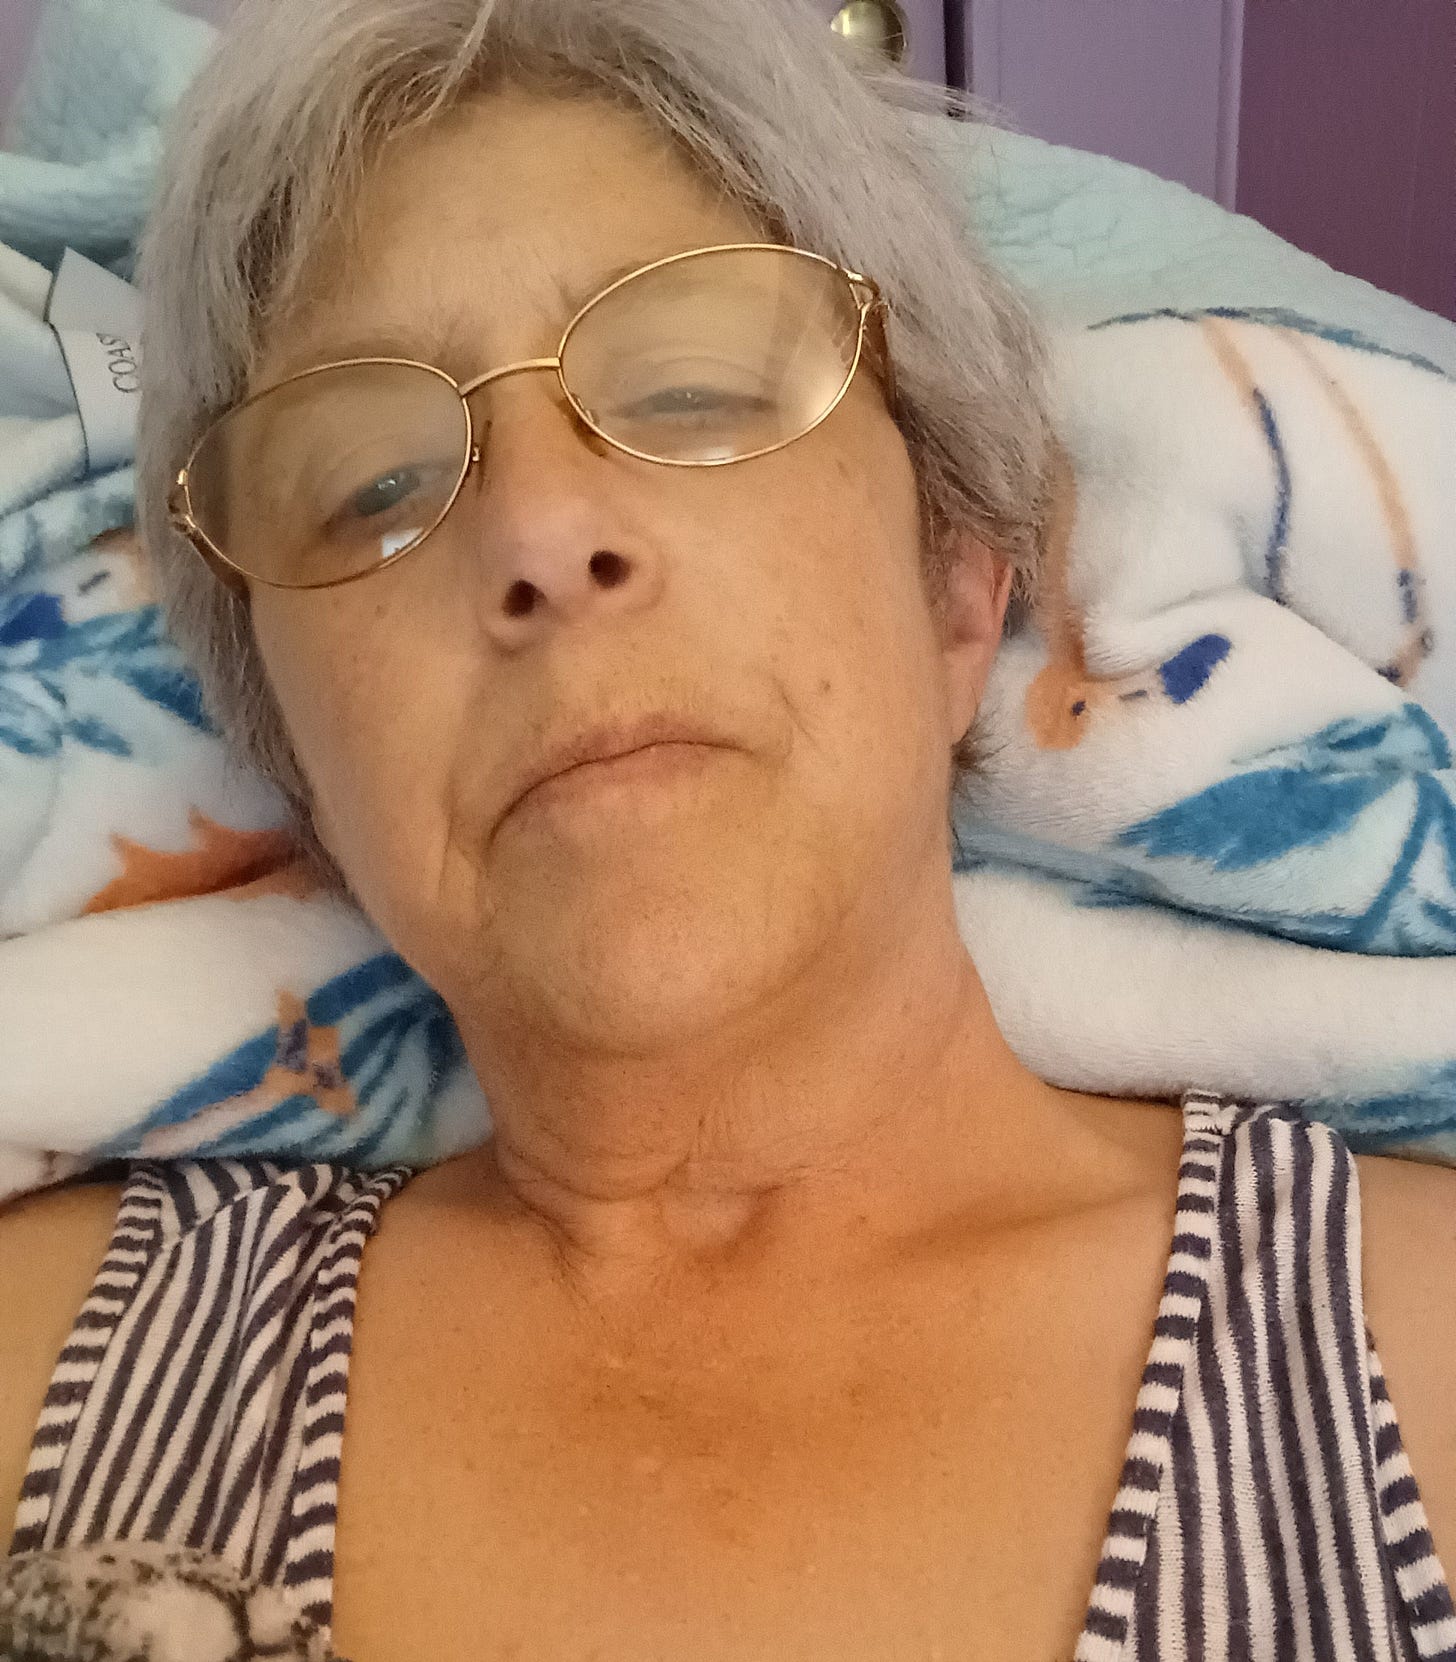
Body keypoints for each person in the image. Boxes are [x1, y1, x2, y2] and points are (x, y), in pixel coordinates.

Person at [2, 0, 1454, 1657]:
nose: (541, 528)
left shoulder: (1420, 1354)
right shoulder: (43, 1380)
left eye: (691, 387)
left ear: (960, 586)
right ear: (301, 762)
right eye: (373, 484)